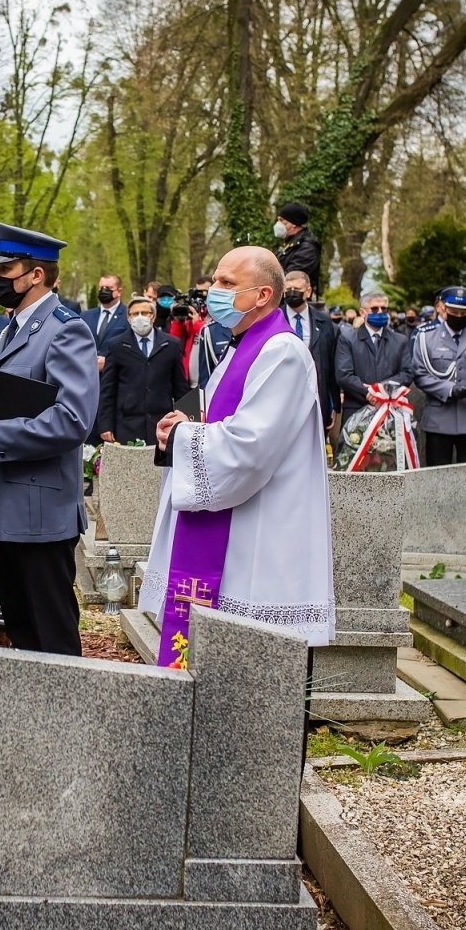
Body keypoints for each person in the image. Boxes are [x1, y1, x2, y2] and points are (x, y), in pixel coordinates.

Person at [142, 245, 335, 667]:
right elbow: (214, 421)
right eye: (215, 281)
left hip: (258, 530)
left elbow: (248, 446)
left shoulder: (280, 352)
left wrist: (183, 436)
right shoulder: (238, 346)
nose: (215, 291)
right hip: (232, 525)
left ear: (263, 294)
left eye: (228, 284)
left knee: (243, 663)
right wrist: (179, 426)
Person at [0, 223, 98, 655]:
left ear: (36, 274)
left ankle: (71, 721)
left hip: (41, 514)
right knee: (21, 629)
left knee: (50, 634)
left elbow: (73, 420)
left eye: (7, 267)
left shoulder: (65, 329)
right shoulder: (13, 327)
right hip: (10, 510)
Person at [410, 286, 466, 475]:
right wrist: (449, 389)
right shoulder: (426, 338)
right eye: (454, 312)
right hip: (439, 419)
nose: (459, 316)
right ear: (443, 308)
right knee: (438, 478)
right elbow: (420, 373)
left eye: (464, 312)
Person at [96, 295, 188, 444]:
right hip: (127, 424)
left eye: (145, 313)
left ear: (153, 316)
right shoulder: (117, 346)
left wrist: (186, 420)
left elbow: (180, 388)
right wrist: (105, 425)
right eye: (134, 314)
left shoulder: (171, 345)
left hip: (162, 423)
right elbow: (108, 390)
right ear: (128, 318)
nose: (140, 317)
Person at [334, 291, 412, 423]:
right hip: (356, 409)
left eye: (384, 309)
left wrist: (382, 391)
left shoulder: (400, 341)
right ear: (363, 312)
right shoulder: (347, 340)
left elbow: (407, 373)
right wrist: (368, 393)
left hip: (391, 410)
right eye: (375, 309)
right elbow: (344, 374)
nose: (380, 312)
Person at [281, 270, 339, 430]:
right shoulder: (274, 318)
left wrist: (334, 403)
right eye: (288, 290)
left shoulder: (325, 322)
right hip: (284, 398)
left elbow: (331, 363)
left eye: (297, 289)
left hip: (317, 396)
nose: (292, 293)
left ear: (308, 291)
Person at [80, 273, 130, 362]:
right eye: (101, 288)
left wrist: (108, 362)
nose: (104, 291)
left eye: (109, 288)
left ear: (119, 291)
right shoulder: (85, 316)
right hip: (88, 370)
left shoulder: (128, 315)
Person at [273, 201, 320, 285]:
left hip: (296, 295)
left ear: (293, 223)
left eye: (282, 220)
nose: (278, 224)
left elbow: (292, 276)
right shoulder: (290, 242)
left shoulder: (307, 248)